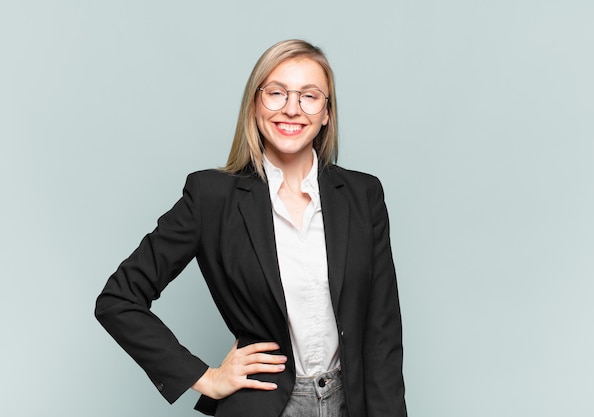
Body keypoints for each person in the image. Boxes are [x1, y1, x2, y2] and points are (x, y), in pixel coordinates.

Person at [95, 39, 407, 417]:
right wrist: (204, 377)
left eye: (309, 96)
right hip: (263, 406)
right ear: (255, 103)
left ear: (327, 113)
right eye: (276, 93)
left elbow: (382, 334)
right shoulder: (211, 198)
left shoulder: (363, 195)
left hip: (352, 403)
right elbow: (118, 299)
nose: (292, 108)